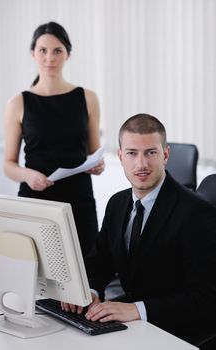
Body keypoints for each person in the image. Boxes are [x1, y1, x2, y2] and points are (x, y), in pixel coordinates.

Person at [62, 113, 216, 346]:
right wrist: (89, 291)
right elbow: (99, 261)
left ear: (165, 155)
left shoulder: (195, 213)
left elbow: (206, 298)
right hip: (135, 321)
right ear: (120, 156)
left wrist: (137, 309)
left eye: (151, 153)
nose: (141, 164)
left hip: (177, 327)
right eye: (132, 153)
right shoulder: (118, 203)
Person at [3, 21, 104, 257]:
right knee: (38, 278)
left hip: (79, 200)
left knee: (86, 274)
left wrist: (98, 165)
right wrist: (28, 175)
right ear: (33, 53)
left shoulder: (88, 98)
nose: (50, 57)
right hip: (36, 199)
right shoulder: (18, 103)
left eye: (57, 50)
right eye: (43, 50)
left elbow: (94, 154)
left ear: (68, 54)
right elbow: (8, 164)